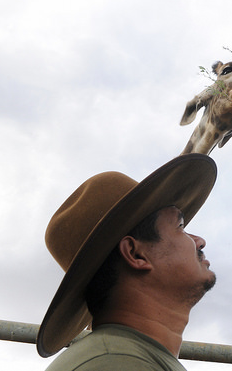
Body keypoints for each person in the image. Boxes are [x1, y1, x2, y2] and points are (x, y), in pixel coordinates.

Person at [37, 154, 218, 371]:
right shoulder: (117, 363)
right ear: (135, 254)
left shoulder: (126, 357)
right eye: (179, 226)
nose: (200, 241)